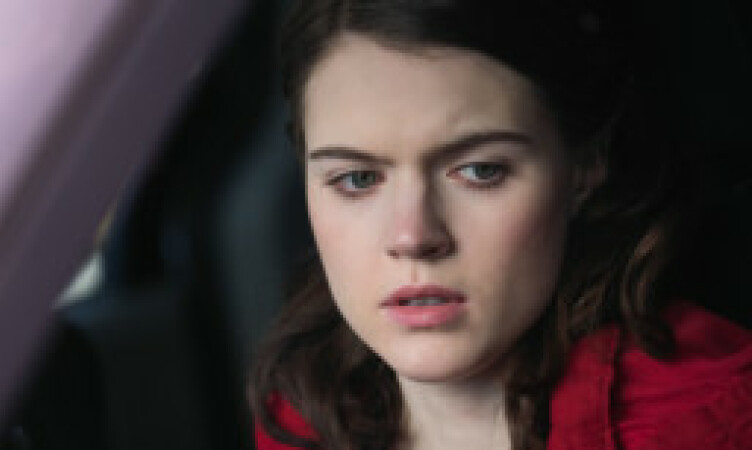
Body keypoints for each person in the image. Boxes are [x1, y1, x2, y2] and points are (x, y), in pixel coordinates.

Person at [248, 1, 752, 449]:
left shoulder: (704, 427)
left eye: (480, 171)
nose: (413, 237)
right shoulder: (301, 415)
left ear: (583, 166)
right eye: (357, 179)